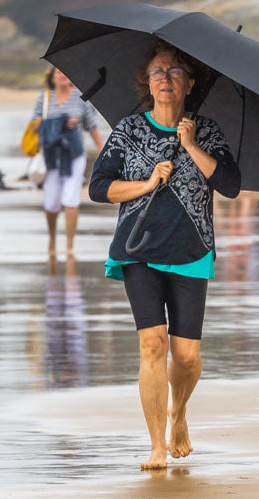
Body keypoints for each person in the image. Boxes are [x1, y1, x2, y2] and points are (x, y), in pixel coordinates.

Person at [89, 41, 241, 470]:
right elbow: (99, 187)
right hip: (138, 250)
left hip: (192, 250)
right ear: (147, 82)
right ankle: (157, 444)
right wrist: (146, 184)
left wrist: (191, 146)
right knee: (153, 344)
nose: (166, 79)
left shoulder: (207, 132)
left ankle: (180, 413)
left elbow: (230, 185)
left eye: (175, 72)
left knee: (187, 356)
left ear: (190, 83)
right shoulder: (128, 131)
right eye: (158, 71)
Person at [31, 66, 105, 257]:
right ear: (52, 77)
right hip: (51, 157)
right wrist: (59, 122)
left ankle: (70, 246)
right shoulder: (45, 98)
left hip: (74, 155)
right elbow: (34, 126)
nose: (63, 75)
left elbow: (93, 128)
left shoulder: (81, 98)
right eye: (58, 72)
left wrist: (105, 153)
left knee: (71, 199)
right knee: (51, 203)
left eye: (66, 72)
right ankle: (53, 239)